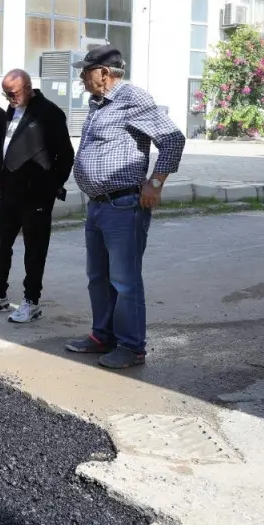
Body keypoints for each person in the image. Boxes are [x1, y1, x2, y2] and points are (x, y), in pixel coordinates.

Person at [64, 46, 184, 370]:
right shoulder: (99, 104)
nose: (81, 77)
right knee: (97, 277)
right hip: (99, 205)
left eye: (85, 70)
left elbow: (173, 138)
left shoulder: (133, 99)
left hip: (124, 204)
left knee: (125, 280)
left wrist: (155, 183)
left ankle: (132, 347)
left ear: (104, 72)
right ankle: (102, 336)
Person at [0, 70, 74, 323]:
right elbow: (7, 147)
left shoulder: (48, 113)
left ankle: (31, 300)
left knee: (34, 248)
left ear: (28, 87)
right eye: (6, 94)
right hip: (9, 191)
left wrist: (52, 185)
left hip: (36, 194)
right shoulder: (11, 110)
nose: (9, 98)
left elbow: (66, 155)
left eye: (14, 93)